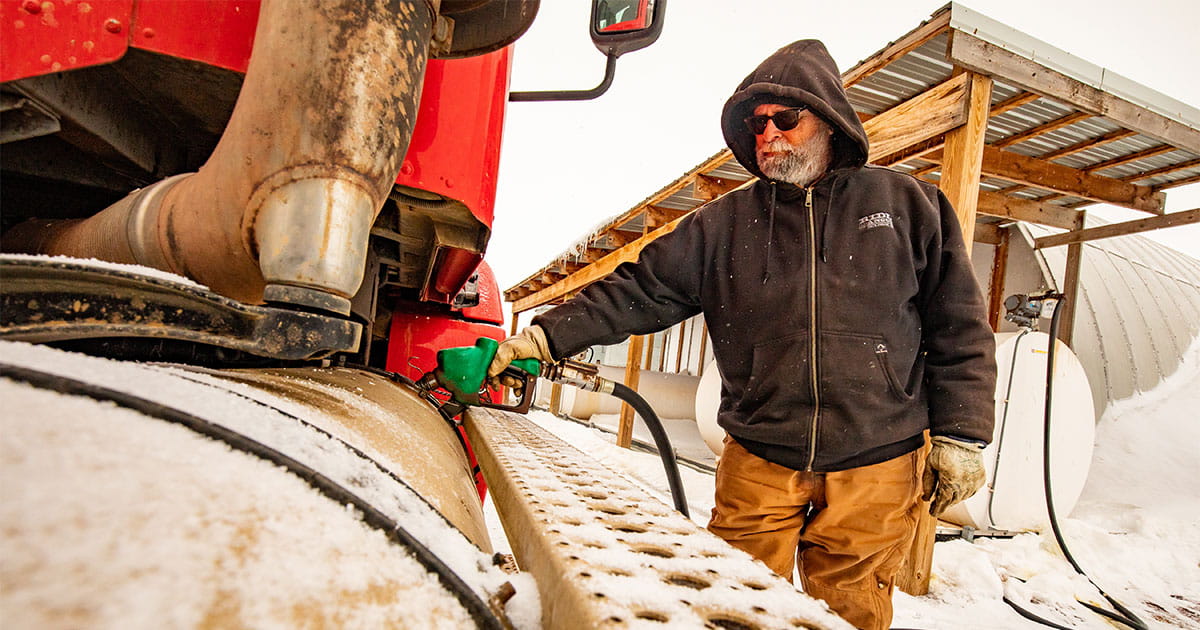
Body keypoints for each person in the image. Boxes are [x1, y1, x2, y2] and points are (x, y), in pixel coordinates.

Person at [489, 39, 997, 630]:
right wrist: (544, 339)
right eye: (757, 124)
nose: (769, 135)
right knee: (734, 600)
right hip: (761, 452)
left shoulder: (909, 205)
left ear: (829, 121)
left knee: (851, 606)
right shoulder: (723, 225)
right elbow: (637, 289)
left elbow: (957, 323)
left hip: (878, 457)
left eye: (786, 119)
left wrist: (962, 435)